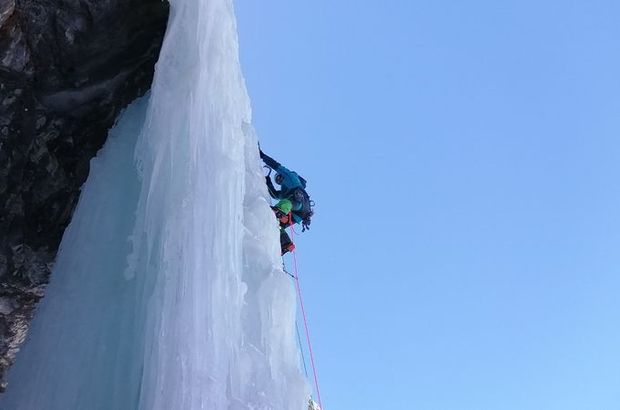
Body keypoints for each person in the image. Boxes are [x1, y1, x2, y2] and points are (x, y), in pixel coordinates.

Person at [260, 149, 314, 255]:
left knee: (287, 202)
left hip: (300, 205)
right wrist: (268, 181)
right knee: (277, 225)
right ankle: (286, 244)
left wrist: (262, 156)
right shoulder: (285, 191)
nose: (279, 181)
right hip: (297, 214)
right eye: (277, 181)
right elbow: (275, 194)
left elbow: (276, 165)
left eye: (279, 178)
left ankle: (279, 211)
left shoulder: (291, 178)